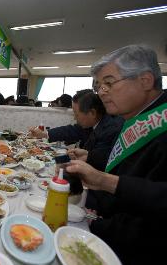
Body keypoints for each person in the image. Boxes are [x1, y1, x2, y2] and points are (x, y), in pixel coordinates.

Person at [66, 45, 167, 265]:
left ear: (145, 81)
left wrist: (104, 182)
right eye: (99, 85)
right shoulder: (134, 116)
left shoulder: (159, 121)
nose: (101, 91)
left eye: (109, 83)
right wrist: (92, 159)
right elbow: (129, 167)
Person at [30, 89, 123, 158]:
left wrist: (86, 157)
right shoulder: (92, 123)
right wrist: (44, 133)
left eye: (76, 114)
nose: (74, 118)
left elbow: (99, 162)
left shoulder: (110, 130)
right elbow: (70, 130)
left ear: (92, 113)